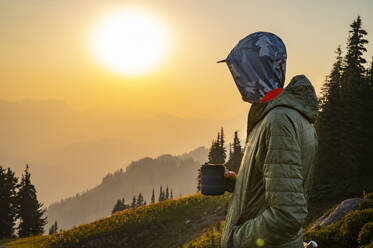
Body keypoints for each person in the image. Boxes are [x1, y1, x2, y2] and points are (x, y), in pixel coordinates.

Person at [218, 32, 318, 248]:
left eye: (240, 72)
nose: (238, 81)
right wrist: (236, 184)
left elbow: (287, 214)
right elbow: (281, 189)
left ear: (254, 70)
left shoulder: (277, 121)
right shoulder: (281, 116)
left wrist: (236, 239)